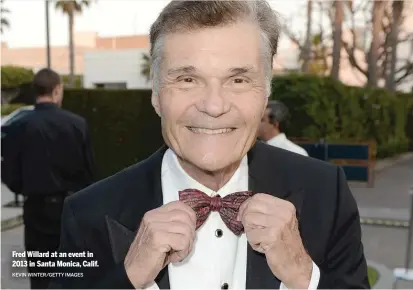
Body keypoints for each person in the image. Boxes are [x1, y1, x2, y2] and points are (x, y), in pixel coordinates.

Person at [50, 1, 369, 289]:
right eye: (187, 79)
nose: (214, 106)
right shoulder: (87, 213)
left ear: (266, 95)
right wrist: (128, 277)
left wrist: (304, 276)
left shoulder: (326, 194)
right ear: (156, 95)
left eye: (239, 80)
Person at [1, 68, 95, 289]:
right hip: (71, 210)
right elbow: (89, 172)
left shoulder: (18, 126)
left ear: (35, 91)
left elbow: (8, 171)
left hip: (36, 210)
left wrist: (24, 188)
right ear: (57, 90)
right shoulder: (77, 124)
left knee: (41, 277)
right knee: (71, 276)